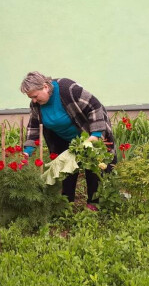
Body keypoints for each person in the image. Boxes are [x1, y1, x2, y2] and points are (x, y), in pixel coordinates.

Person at [20, 71, 116, 211]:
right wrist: (27, 151)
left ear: (46, 87)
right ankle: (66, 205)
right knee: (66, 169)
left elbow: (95, 106)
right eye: (31, 98)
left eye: (35, 96)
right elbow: (34, 126)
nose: (34, 100)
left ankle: (94, 204)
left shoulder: (68, 90)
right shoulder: (36, 104)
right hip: (63, 139)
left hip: (88, 133)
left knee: (94, 167)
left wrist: (95, 135)